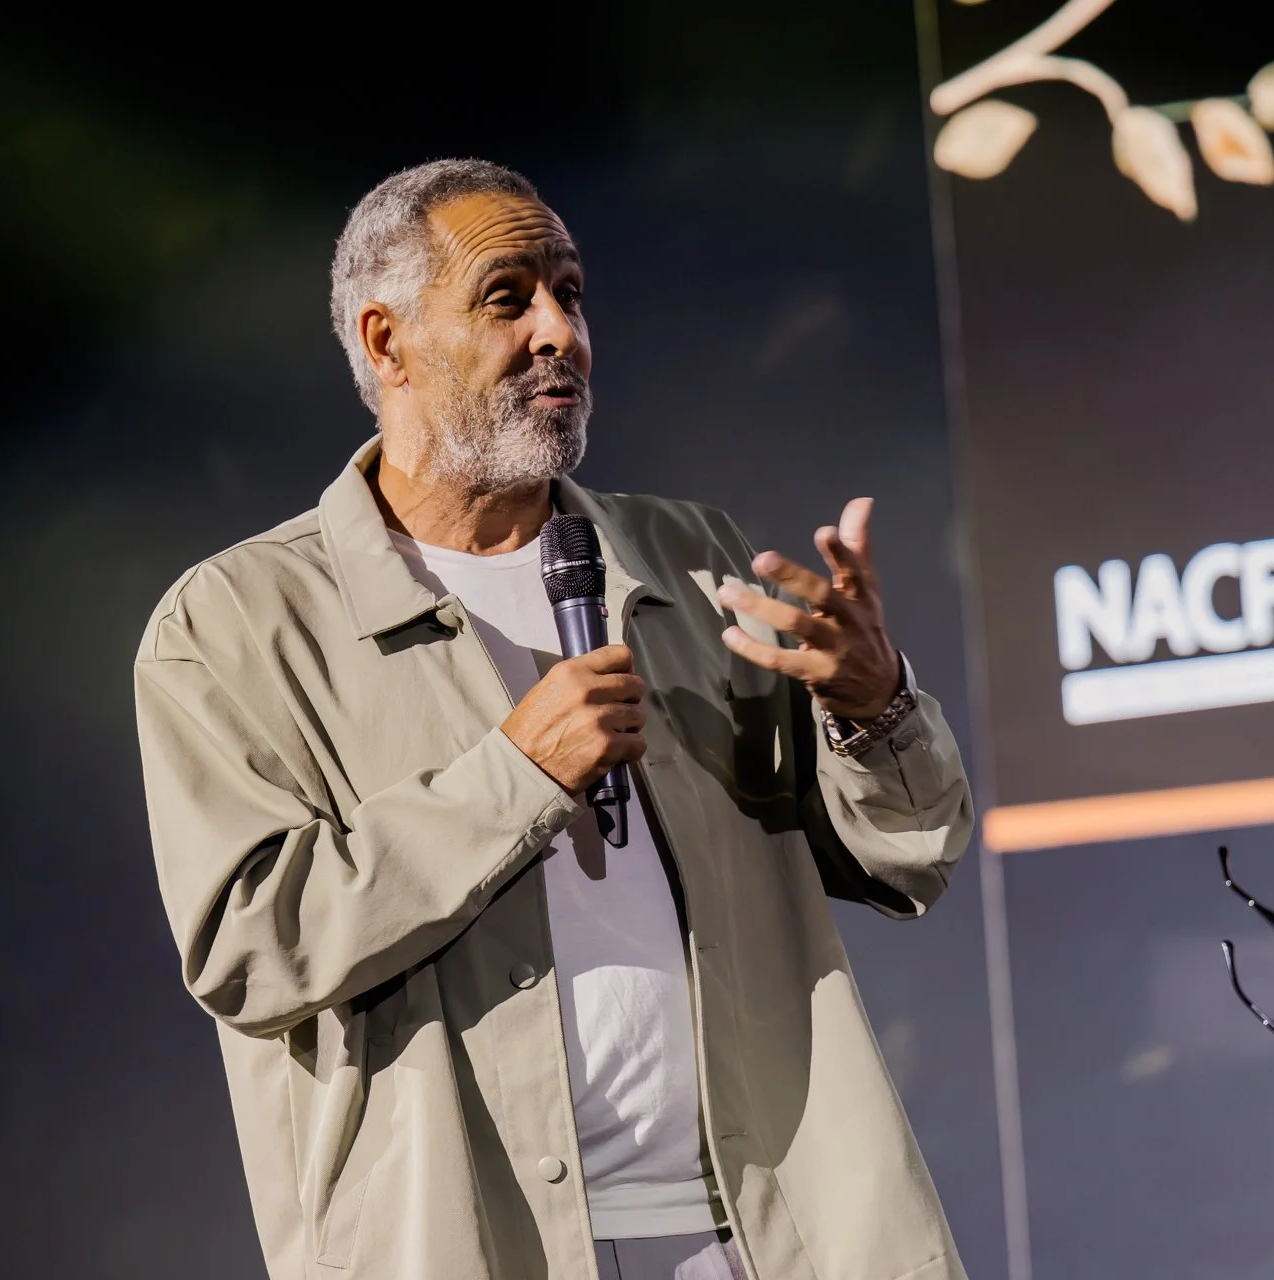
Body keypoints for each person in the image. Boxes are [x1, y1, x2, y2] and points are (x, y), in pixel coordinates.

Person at [133, 159, 974, 1280]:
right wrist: (516, 776)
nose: (559, 333)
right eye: (508, 297)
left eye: (571, 294)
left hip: (764, 1233)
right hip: (476, 1246)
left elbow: (905, 857)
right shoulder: (238, 621)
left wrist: (874, 708)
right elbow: (249, 948)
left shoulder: (692, 559)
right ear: (386, 342)